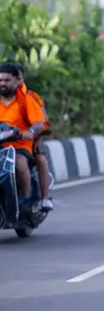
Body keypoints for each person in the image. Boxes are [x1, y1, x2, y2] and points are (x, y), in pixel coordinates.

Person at [0, 62, 47, 212]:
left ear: (16, 80)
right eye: (0, 80)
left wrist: (31, 132)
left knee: (19, 163)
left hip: (19, 145)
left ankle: (25, 199)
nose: (3, 84)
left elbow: (39, 122)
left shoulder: (26, 99)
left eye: (7, 80)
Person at [12, 63, 53, 211]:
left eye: (19, 78)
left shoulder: (31, 97)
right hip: (6, 140)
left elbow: (43, 121)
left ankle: (44, 199)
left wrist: (38, 138)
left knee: (40, 159)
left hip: (29, 139)